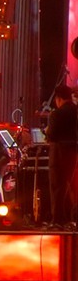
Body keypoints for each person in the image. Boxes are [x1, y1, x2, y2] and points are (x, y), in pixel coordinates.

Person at [45, 84, 78, 230]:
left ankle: (57, 220)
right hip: (74, 151)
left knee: (58, 186)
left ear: (58, 99)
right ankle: (72, 218)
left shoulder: (57, 114)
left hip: (59, 151)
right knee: (72, 186)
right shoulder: (76, 111)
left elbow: (51, 135)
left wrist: (47, 131)